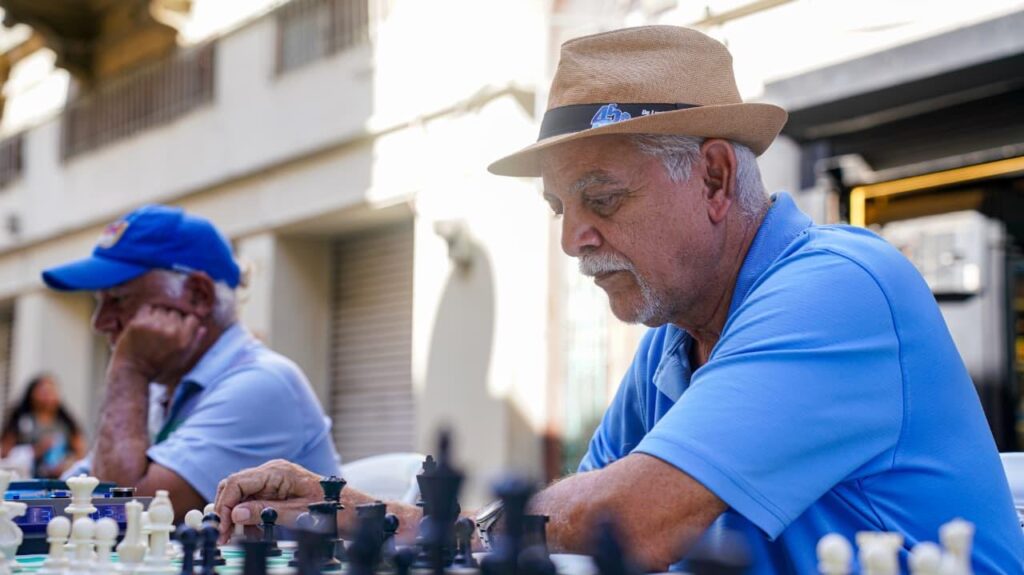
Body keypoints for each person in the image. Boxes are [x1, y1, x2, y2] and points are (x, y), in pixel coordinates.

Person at [211, 26, 1024, 572]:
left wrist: (394, 523)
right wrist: (346, 508)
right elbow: (558, 520)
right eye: (560, 209)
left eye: (601, 199)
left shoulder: (840, 285)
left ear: (711, 176)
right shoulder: (673, 342)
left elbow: (626, 520)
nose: (572, 239)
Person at [42, 204, 340, 514]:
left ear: (199, 296)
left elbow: (124, 512)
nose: (100, 322)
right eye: (99, 302)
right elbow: (76, 494)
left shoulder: (262, 383)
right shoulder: (164, 388)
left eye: (119, 299)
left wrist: (129, 369)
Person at [0, 374, 87, 478]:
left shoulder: (66, 422)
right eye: (43, 392)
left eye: (52, 391)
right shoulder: (20, 420)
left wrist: (67, 464)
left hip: (60, 481)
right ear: (32, 394)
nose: (48, 396)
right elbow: (4, 453)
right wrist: (35, 450)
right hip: (26, 480)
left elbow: (80, 451)